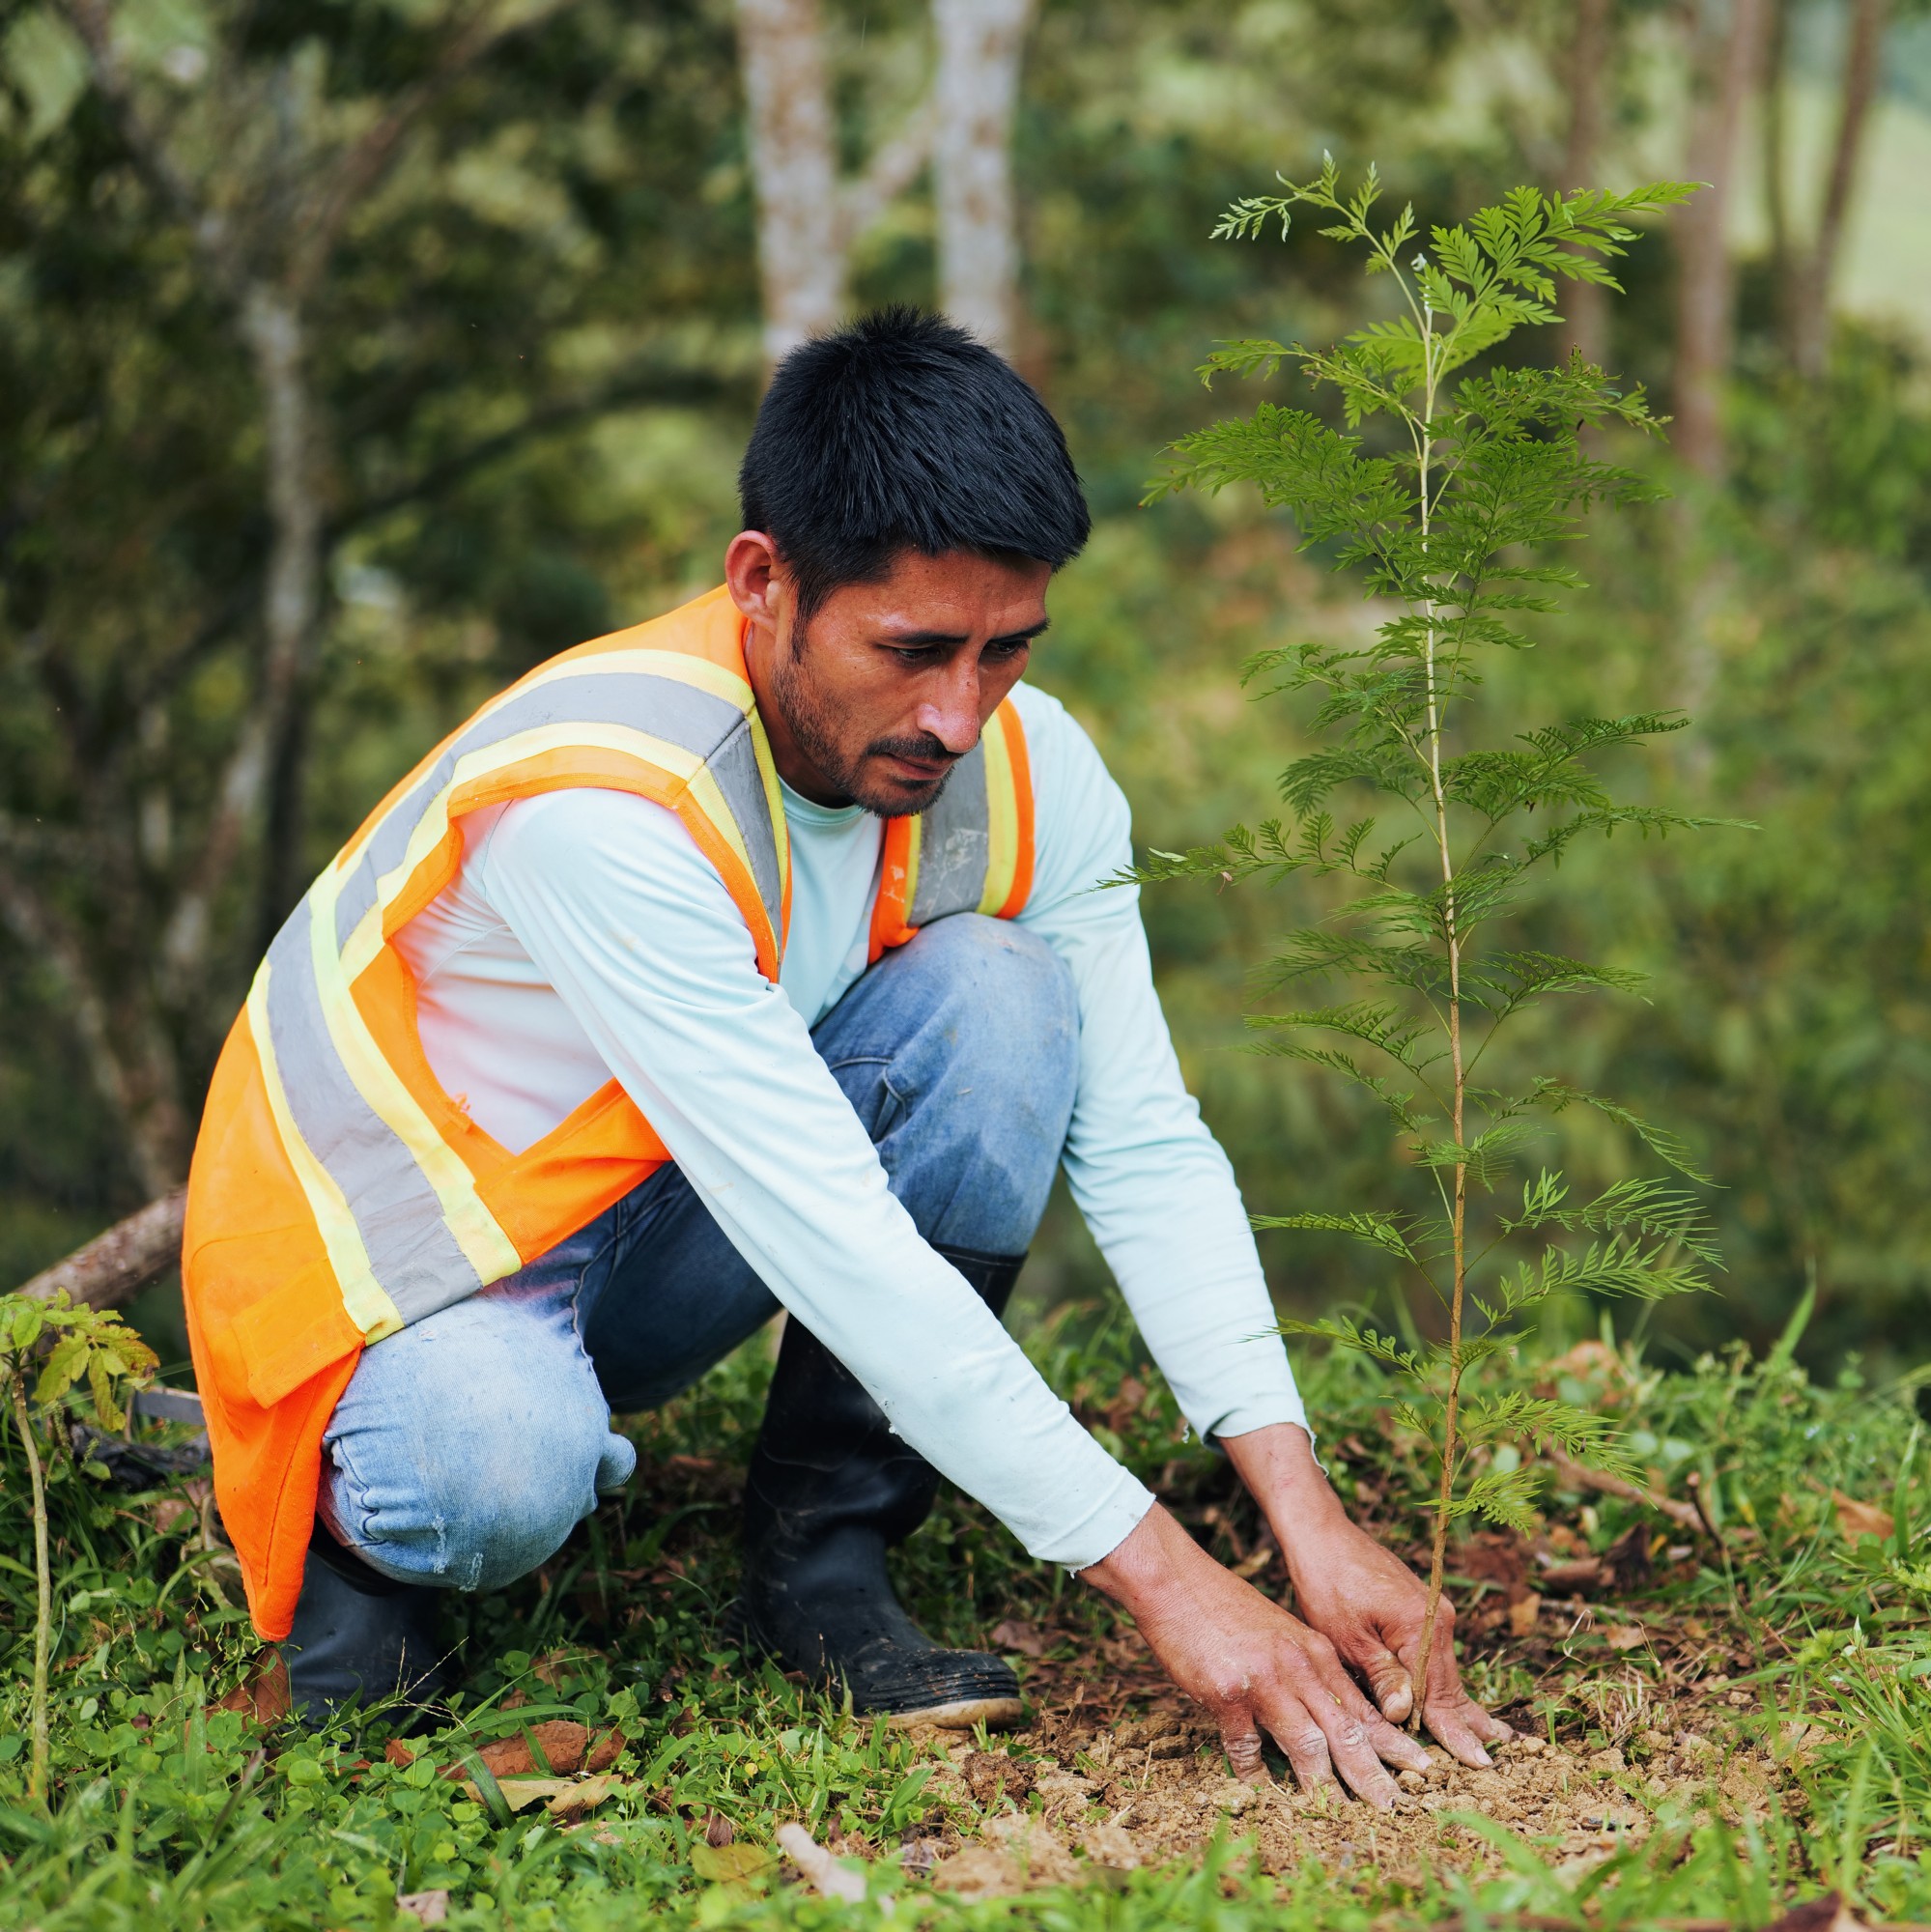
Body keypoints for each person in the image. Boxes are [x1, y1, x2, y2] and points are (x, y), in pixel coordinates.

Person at [182, 307, 1509, 1807]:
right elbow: (836, 1238)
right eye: (912, 649)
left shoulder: (1026, 766)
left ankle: (823, 1559)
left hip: (663, 1208)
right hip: (407, 1275)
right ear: (765, 582)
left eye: (1008, 649)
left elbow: (1140, 1140)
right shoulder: (608, 809)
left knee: (1005, 998)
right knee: (494, 1473)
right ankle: (365, 1545)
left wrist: (1304, 1513)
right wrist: (1173, 1584)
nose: (958, 712)